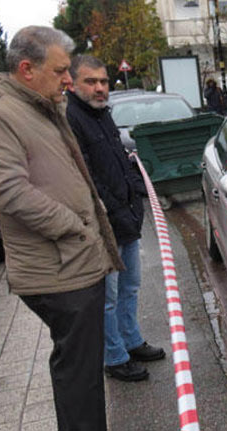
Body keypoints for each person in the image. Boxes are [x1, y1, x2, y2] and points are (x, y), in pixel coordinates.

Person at [0, 26, 122, 431]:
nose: (69, 80)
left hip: (74, 261)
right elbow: (6, 191)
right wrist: (74, 227)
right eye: (60, 71)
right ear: (26, 69)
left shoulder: (39, 104)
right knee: (78, 376)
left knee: (84, 371)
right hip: (59, 269)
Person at [66, 55, 165, 382]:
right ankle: (114, 356)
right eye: (90, 81)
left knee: (130, 286)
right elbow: (87, 178)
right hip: (104, 226)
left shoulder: (102, 115)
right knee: (106, 297)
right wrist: (119, 211)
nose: (99, 88)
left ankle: (131, 339)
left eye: (103, 81)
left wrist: (137, 190)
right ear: (73, 83)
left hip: (127, 221)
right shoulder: (72, 118)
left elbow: (121, 160)